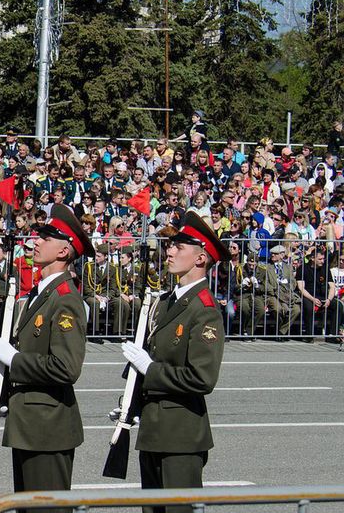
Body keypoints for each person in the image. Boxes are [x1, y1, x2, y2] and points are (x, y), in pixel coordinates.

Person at [0, 203, 93, 512]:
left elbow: (66, 367)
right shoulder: (40, 294)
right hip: (29, 423)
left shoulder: (65, 299)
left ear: (64, 251)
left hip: (48, 428)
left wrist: (14, 360)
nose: (35, 241)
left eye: (46, 238)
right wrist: (1, 394)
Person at [120, 211, 227, 513]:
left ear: (200, 258)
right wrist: (134, 401)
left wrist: (150, 369)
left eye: (179, 247)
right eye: (170, 246)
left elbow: (201, 377)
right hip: (153, 430)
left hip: (181, 435)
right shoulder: (167, 301)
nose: (169, 251)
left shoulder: (204, 309)